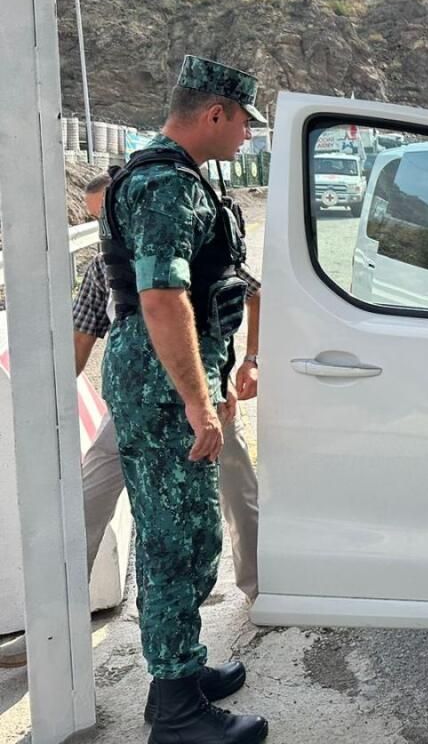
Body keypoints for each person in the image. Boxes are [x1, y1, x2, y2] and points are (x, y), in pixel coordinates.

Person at [0, 176, 262, 678]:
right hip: (134, 409)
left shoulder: (188, 246)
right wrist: (44, 410)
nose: (109, 229)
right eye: (100, 219)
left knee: (235, 495)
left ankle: (262, 592)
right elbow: (80, 339)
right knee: (85, 499)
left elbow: (253, 292)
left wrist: (249, 360)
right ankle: (52, 624)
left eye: (112, 217)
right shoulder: (105, 266)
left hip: (207, 403)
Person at [101, 55, 268, 744]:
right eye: (243, 125)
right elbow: (163, 298)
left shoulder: (181, 178)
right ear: (214, 113)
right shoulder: (167, 185)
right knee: (178, 542)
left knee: (187, 532)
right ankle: (175, 711)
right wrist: (199, 404)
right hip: (163, 383)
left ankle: (182, 670)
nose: (246, 138)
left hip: (168, 378)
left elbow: (222, 285)